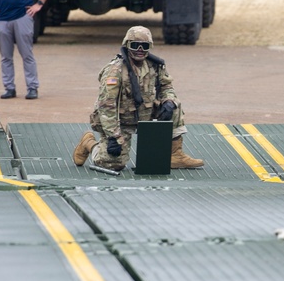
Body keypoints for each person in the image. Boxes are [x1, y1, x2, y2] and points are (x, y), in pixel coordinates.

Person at [72, 25, 205, 171]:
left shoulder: (155, 66)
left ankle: (175, 155)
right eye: (135, 45)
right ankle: (89, 144)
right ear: (127, 46)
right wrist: (113, 137)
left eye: (145, 46)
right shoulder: (114, 71)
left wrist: (168, 101)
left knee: (174, 105)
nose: (140, 49)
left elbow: (167, 86)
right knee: (112, 163)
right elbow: (106, 106)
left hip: (145, 114)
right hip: (121, 121)